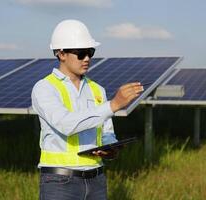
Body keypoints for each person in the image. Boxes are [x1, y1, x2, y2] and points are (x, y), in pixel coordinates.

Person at [31, 19, 143, 200]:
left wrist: (109, 148)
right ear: (61, 53)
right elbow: (65, 124)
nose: (87, 59)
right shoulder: (44, 88)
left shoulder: (97, 89)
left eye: (90, 52)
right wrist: (113, 105)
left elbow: (106, 131)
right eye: (81, 53)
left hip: (96, 179)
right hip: (60, 182)